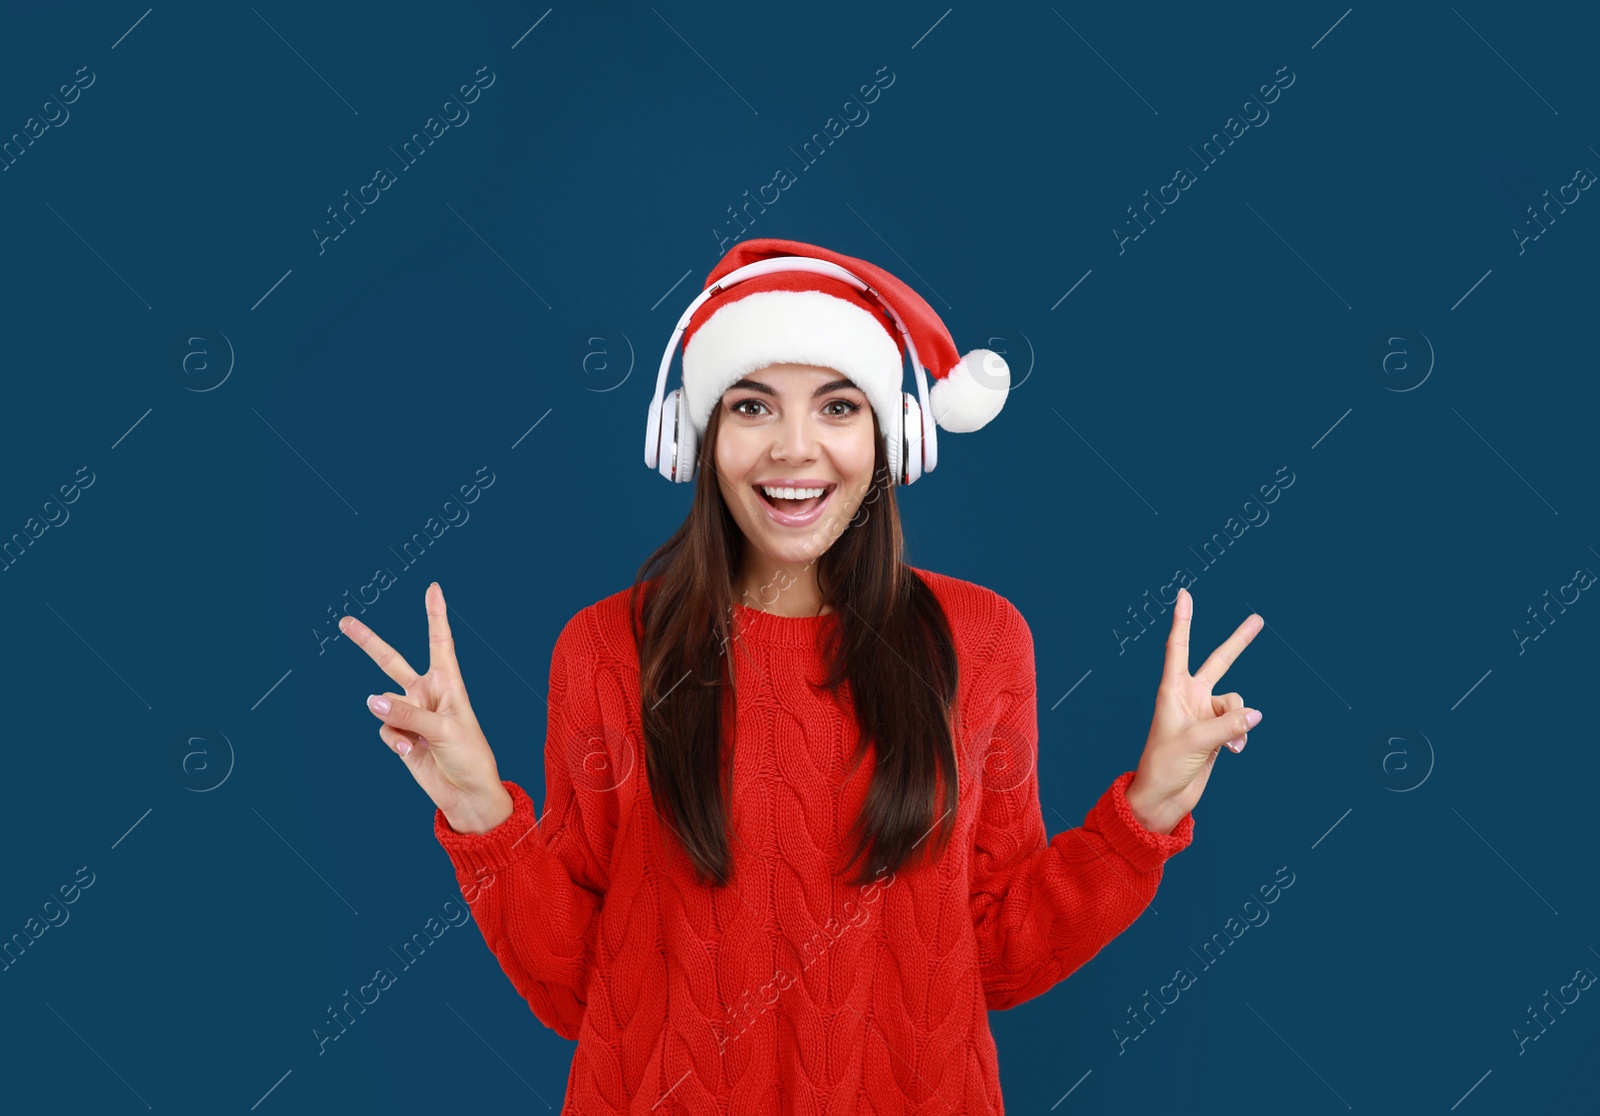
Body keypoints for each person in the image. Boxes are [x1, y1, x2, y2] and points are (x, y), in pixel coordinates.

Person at [341, 239, 1265, 1114]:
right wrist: (477, 812)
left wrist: (1144, 814)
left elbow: (990, 953)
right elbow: (585, 993)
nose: (793, 448)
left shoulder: (980, 642)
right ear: (696, 437)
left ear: (892, 435)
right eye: (750, 406)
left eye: (837, 406)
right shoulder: (605, 650)